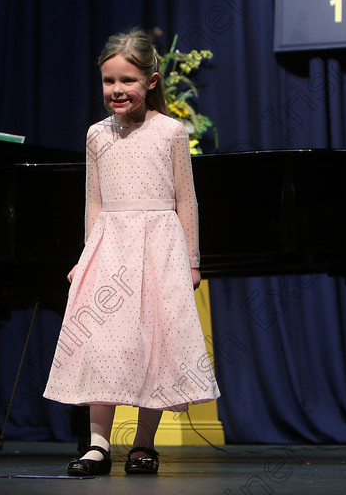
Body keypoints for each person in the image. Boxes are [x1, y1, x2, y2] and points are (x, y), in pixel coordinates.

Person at [43, 29, 220, 476]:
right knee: (101, 341)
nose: (117, 91)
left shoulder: (170, 132)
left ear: (152, 81)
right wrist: (86, 258)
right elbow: (93, 201)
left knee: (153, 344)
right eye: (109, 81)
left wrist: (192, 260)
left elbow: (187, 199)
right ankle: (98, 444)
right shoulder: (96, 136)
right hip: (111, 245)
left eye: (127, 81)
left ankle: (143, 444)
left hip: (160, 247)